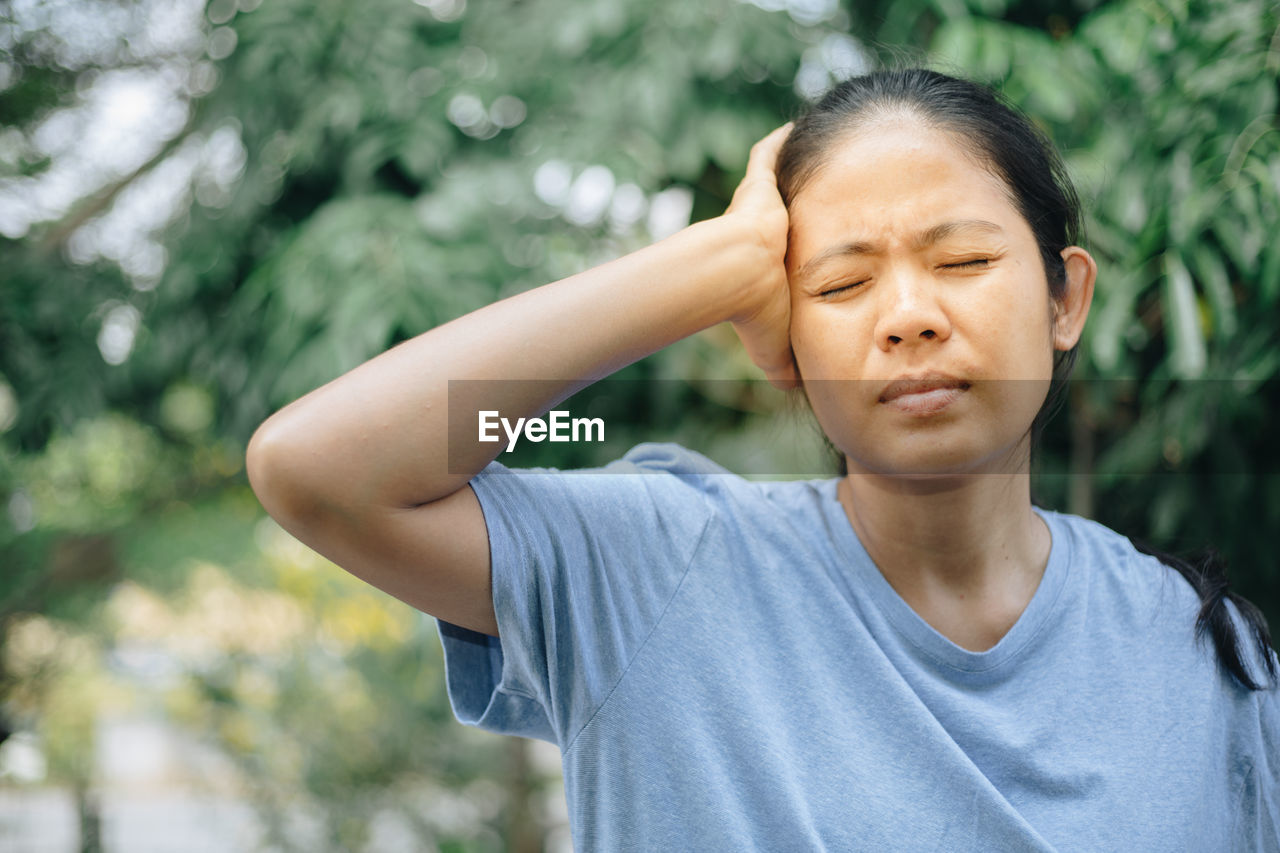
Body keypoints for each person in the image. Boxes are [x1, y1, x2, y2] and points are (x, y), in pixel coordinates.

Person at [246, 68, 1278, 850]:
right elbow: (321, 471)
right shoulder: (652, 572)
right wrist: (720, 263)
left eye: (960, 262)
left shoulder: (1204, 656)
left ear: (1065, 299)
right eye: (838, 287)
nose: (908, 317)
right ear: (783, 338)